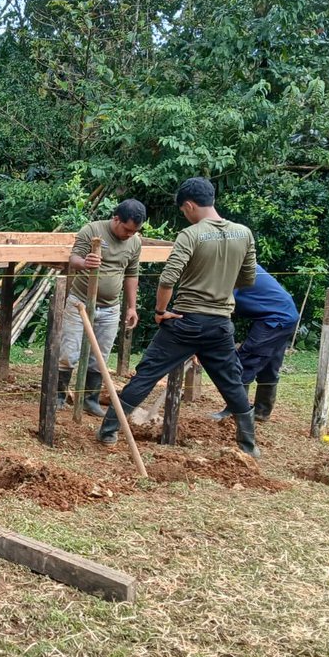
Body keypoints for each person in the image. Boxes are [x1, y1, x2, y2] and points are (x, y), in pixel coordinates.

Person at [96, 177, 261, 457]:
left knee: (147, 374)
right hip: (220, 324)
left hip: (185, 321)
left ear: (189, 205)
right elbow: (248, 279)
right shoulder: (244, 234)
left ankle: (109, 430)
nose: (185, 215)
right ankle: (249, 444)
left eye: (184, 211)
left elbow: (168, 278)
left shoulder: (191, 235)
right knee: (231, 383)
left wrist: (161, 312)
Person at [57, 199, 146, 415]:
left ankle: (90, 399)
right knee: (69, 352)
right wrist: (84, 263)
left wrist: (132, 307)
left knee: (100, 357)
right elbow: (73, 258)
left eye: (135, 231)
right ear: (116, 219)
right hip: (80, 303)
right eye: (127, 229)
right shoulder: (93, 230)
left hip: (110, 308)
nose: (129, 235)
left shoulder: (135, 242)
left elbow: (132, 274)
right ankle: (58, 396)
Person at [211, 266, 299, 423]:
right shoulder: (241, 262)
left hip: (274, 319)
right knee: (269, 366)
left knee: (245, 362)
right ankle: (262, 411)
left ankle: (235, 411)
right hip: (286, 315)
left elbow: (222, 306)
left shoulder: (229, 269)